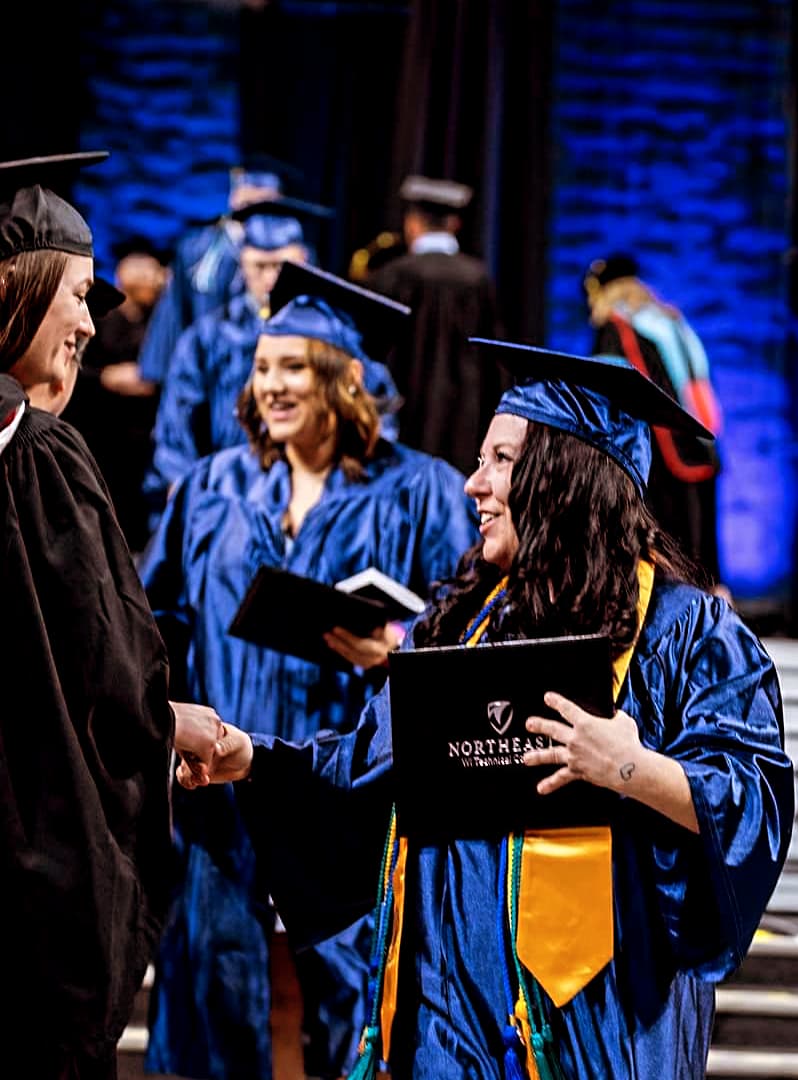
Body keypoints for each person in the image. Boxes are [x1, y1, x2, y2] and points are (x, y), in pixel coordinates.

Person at [174, 339, 796, 1079]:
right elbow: (366, 768)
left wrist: (627, 766)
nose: (474, 485)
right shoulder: (467, 624)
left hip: (596, 1031)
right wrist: (246, 754)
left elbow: (751, 801)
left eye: (501, 461)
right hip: (445, 1022)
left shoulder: (684, 632)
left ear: (566, 476)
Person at [142, 260, 479, 1080]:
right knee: (214, 990)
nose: (273, 387)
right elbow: (155, 623)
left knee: (361, 995)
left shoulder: (424, 492)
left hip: (350, 789)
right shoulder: (209, 488)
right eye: (263, 369)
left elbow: (475, 638)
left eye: (294, 367)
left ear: (347, 377)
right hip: (222, 782)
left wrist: (400, 647)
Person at [0, 151, 225, 1080]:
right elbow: (110, 670)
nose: (93, 325)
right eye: (80, 296)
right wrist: (169, 721)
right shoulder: (41, 456)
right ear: (20, 284)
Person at [145, 196, 405, 515]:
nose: (271, 279)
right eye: (260, 266)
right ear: (242, 264)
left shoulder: (336, 338)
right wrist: (195, 503)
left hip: (326, 500)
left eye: (282, 267)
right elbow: (176, 430)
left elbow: (377, 416)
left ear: (305, 260)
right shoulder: (207, 336)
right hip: (226, 501)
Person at [584, 253, 725, 584]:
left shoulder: (618, 326)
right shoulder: (670, 321)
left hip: (658, 455)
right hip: (698, 443)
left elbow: (612, 394)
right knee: (697, 548)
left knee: (665, 551)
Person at [136, 152, 322, 390]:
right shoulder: (196, 250)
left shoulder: (296, 253)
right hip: (208, 372)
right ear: (235, 197)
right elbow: (175, 312)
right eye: (247, 202)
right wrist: (163, 375)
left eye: (264, 202)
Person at [367, 173, 508, 476]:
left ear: (412, 224)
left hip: (403, 420)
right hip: (466, 425)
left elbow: (371, 352)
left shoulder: (391, 275)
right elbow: (496, 364)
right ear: (454, 224)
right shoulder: (478, 279)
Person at [63, 234, 170, 552]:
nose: (150, 276)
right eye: (141, 268)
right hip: (104, 434)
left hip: (147, 438)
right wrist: (107, 378)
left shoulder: (162, 321)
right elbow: (76, 371)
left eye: (153, 269)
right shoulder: (97, 319)